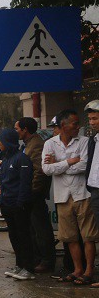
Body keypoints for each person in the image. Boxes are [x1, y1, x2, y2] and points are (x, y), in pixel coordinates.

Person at [43, 109, 96, 285]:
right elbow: (47, 169)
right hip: (62, 196)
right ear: (63, 125)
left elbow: (84, 165)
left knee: (88, 236)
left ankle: (89, 271)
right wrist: (69, 161)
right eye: (74, 123)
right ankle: (77, 269)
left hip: (82, 194)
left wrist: (58, 165)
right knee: (70, 237)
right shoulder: (50, 144)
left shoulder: (84, 141)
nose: (78, 126)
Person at [14, 116, 55, 275]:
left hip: (34, 194)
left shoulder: (36, 144)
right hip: (28, 193)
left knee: (40, 228)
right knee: (31, 228)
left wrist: (32, 191)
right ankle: (37, 258)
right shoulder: (27, 144)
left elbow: (39, 171)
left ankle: (47, 260)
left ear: (25, 130)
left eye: (17, 129)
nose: (16, 131)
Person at [0, 128, 36, 280]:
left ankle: (29, 268)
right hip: (7, 203)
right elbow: (4, 181)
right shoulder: (6, 159)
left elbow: (25, 183)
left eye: (0, 141)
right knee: (14, 236)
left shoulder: (22, 159)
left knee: (23, 236)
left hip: (19, 205)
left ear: (8, 141)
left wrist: (21, 202)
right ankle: (19, 265)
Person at [84, 100, 99, 287]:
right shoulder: (93, 140)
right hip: (95, 190)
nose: (92, 122)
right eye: (90, 119)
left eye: (95, 118)